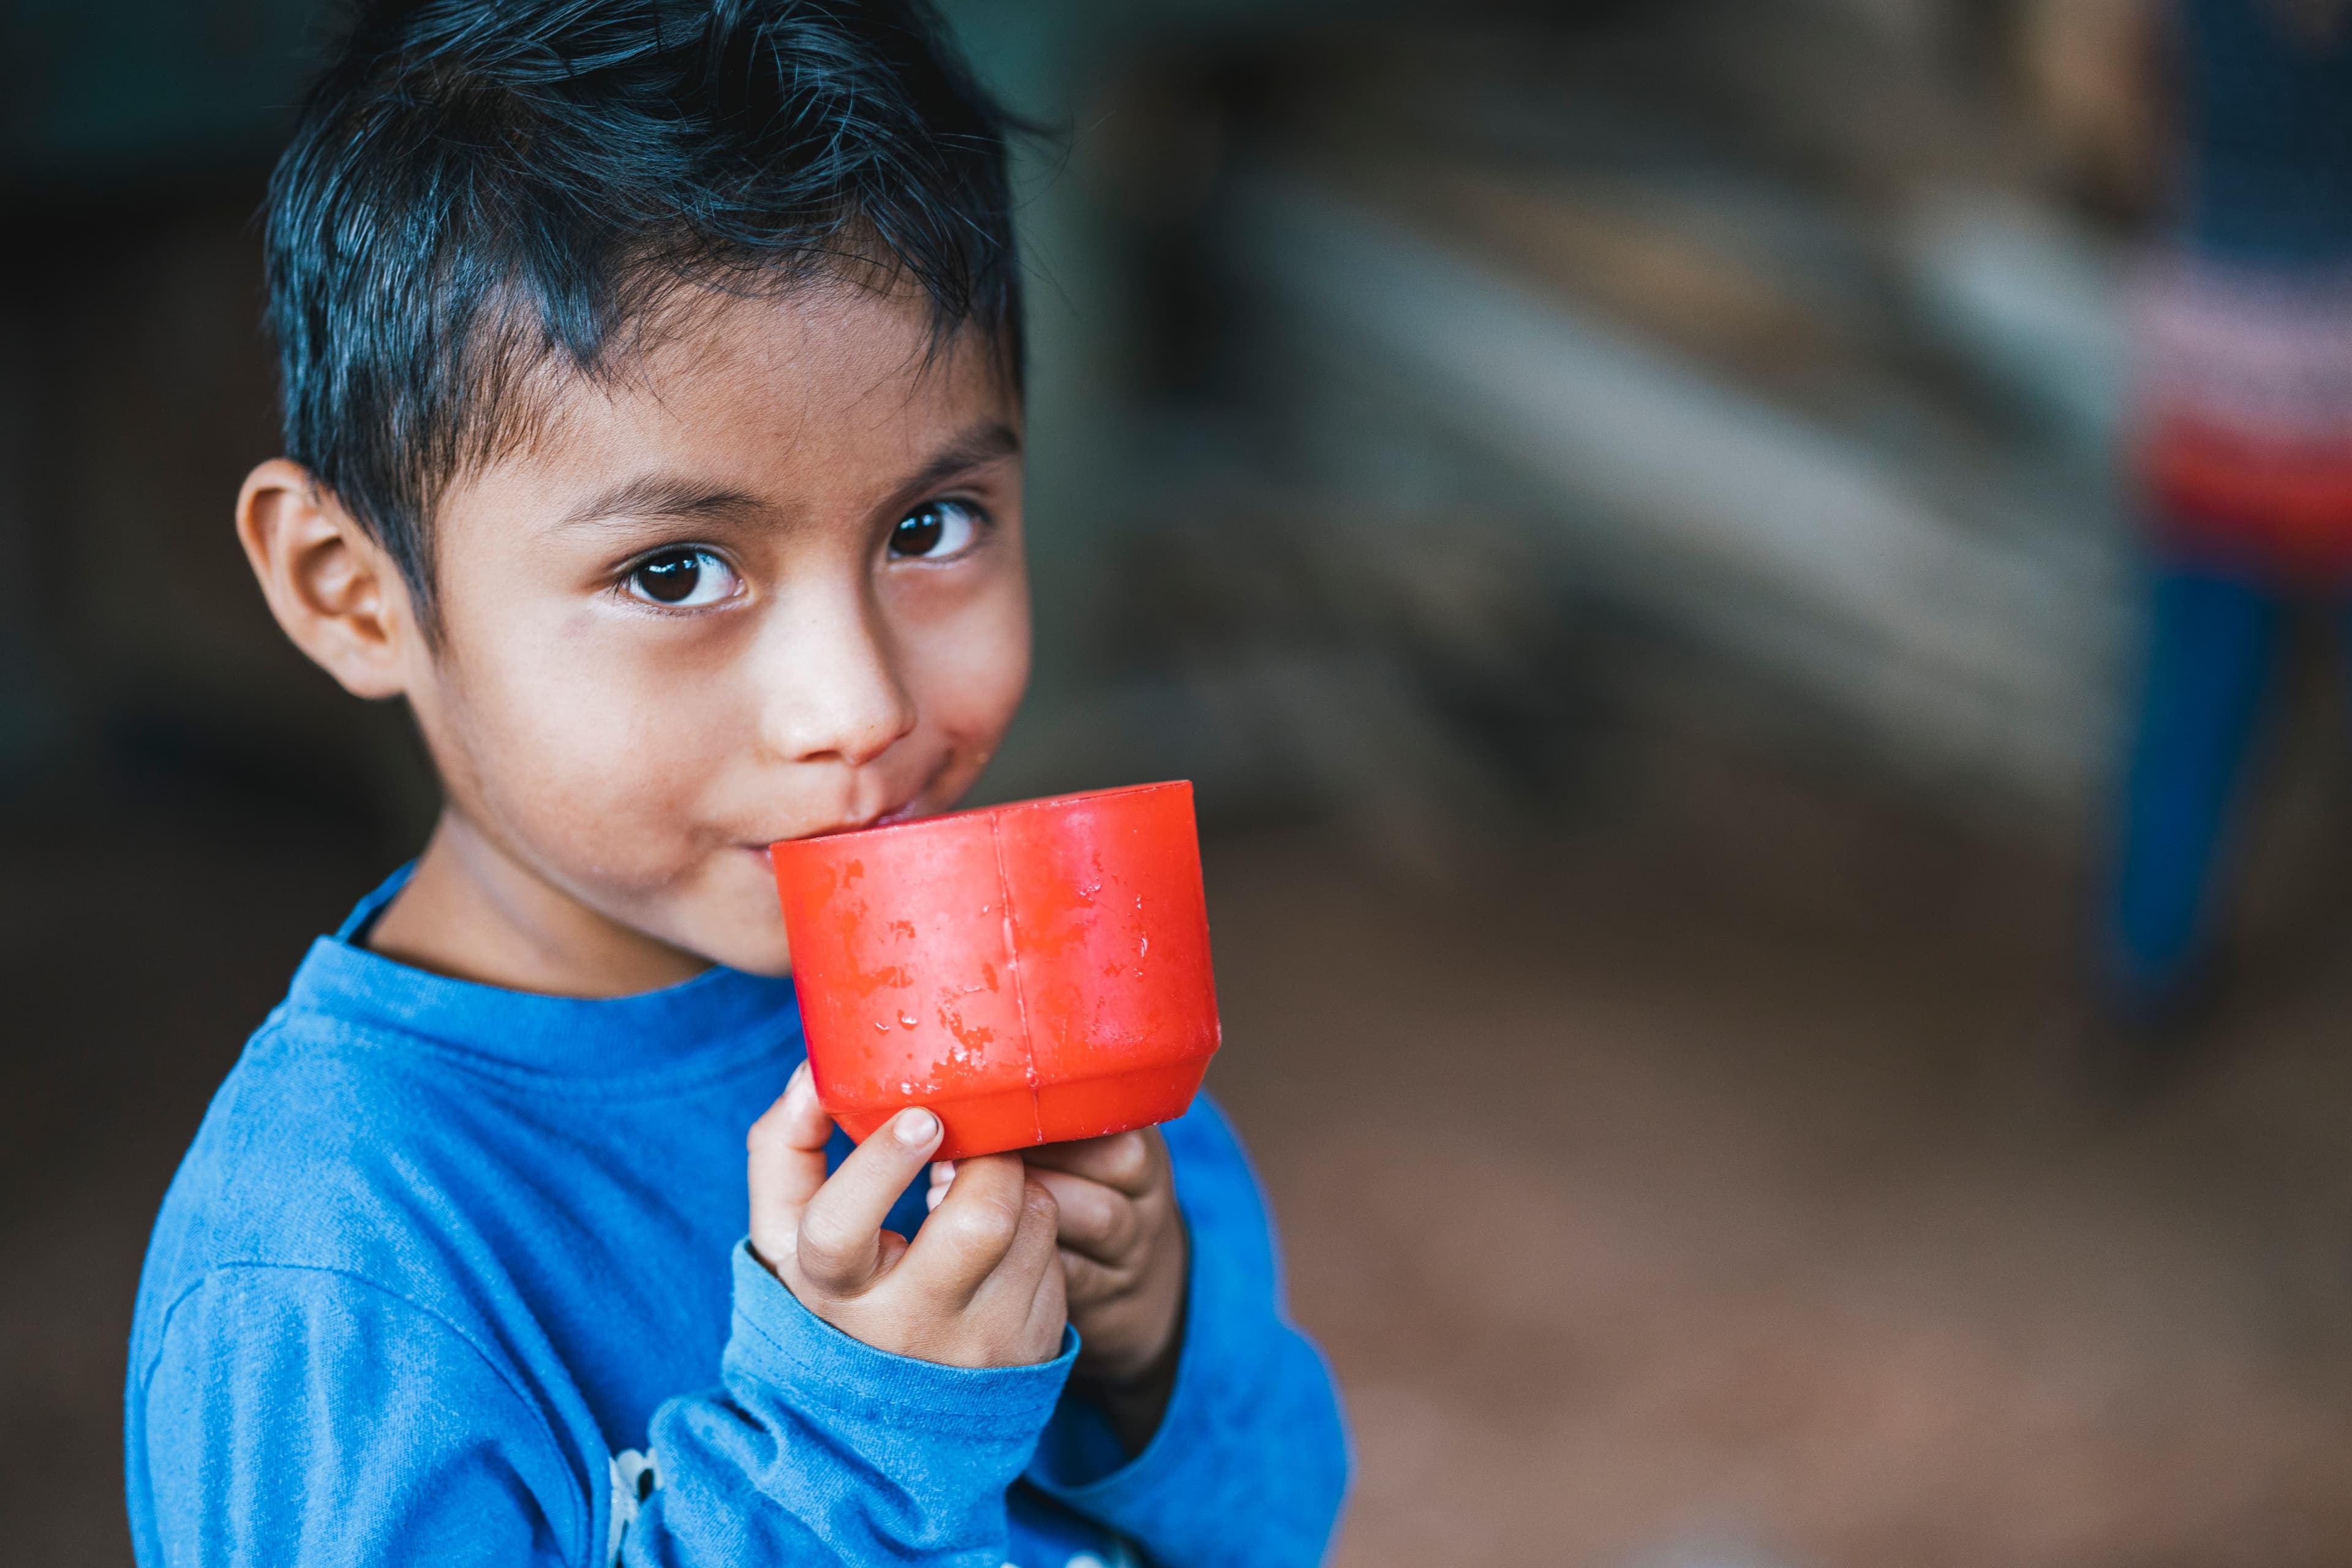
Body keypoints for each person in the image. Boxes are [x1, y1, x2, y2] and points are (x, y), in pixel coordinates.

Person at [121, 4, 1348, 1564]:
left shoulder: (995, 995)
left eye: (931, 526)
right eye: (675, 568)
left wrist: (1156, 1341)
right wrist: (850, 1442)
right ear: (353, 591)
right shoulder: (334, 1267)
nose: (860, 709)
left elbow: (1274, 1521)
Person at [2103, 0, 2352, 1033]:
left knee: (2194, 679)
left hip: (2214, 350)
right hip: (2332, 356)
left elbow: (2122, 98)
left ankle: (2142, 974)